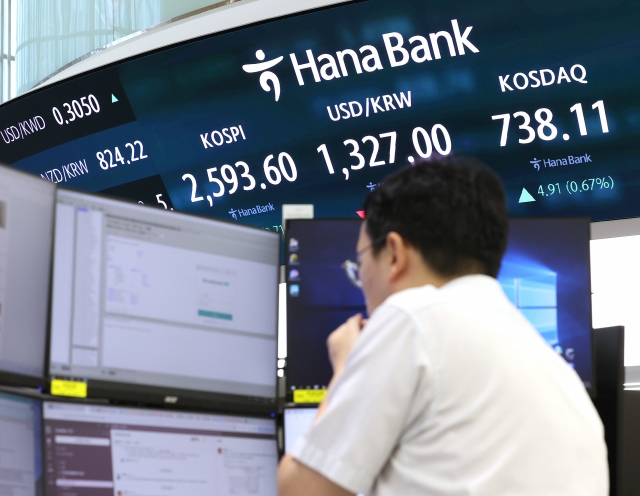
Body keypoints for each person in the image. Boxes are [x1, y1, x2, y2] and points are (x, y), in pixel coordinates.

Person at [277, 157, 608, 496]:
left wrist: (345, 370)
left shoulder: (410, 317)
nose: (361, 277)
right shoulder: (559, 375)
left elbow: (302, 489)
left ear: (393, 253)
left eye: (360, 262)